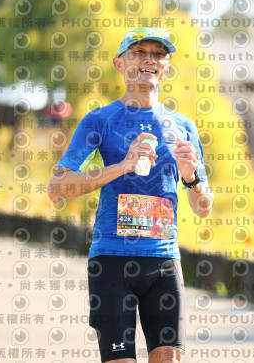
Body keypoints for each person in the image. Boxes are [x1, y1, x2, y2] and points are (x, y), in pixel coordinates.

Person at [47, 27, 214, 363]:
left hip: (164, 262)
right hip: (111, 260)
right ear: (120, 64)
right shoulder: (100, 120)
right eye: (138, 52)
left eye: (158, 54)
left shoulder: (184, 126)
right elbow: (57, 188)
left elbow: (203, 207)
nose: (149, 60)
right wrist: (122, 166)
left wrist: (191, 177)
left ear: (167, 68)